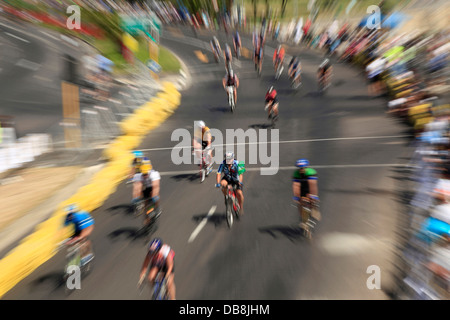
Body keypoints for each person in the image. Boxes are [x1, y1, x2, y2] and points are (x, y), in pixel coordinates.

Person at [292, 159, 320, 234]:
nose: (301, 169)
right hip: (302, 188)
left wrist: (314, 196)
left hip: (309, 187)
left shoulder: (311, 172)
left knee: (311, 198)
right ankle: (303, 220)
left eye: (303, 168)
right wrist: (296, 196)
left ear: (306, 167)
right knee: (300, 203)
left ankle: (314, 208)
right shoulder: (296, 173)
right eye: (300, 168)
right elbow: (296, 186)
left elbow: (312, 185)